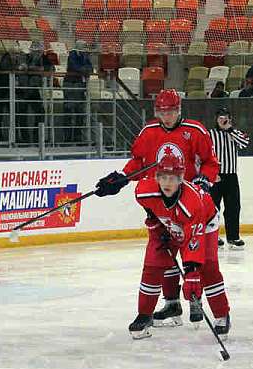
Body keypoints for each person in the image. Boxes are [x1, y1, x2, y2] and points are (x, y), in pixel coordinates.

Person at [94, 88, 221, 328]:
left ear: (179, 109)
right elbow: (139, 163)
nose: (167, 116)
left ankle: (195, 300)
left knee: (192, 257)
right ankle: (172, 302)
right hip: (161, 204)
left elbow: (209, 163)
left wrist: (204, 179)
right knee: (164, 255)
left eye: (171, 111)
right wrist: (121, 177)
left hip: (187, 203)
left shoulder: (195, 131)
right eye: (162, 112)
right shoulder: (149, 132)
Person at [129, 151, 231, 339]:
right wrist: (156, 224)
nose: (167, 183)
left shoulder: (192, 203)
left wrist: (191, 273)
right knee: (153, 265)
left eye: (173, 178)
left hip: (204, 223)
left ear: (182, 178)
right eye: (163, 177)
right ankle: (144, 315)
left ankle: (222, 314)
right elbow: (150, 207)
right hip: (170, 221)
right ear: (157, 177)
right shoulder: (144, 190)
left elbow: (194, 240)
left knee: (207, 268)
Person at [208, 107, 249, 248]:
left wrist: (230, 130)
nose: (222, 120)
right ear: (216, 119)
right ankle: (213, 236)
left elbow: (245, 143)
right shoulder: (210, 134)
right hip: (215, 176)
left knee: (233, 207)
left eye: (225, 117)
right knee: (213, 208)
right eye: (219, 118)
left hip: (231, 175)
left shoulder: (235, 133)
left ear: (229, 119)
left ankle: (233, 237)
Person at [16, 41, 54, 144]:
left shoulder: (44, 59)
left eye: (39, 52)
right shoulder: (25, 57)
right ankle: (25, 138)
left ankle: (37, 136)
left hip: (34, 89)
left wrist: (33, 68)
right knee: (21, 114)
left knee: (40, 113)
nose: (38, 53)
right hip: (23, 89)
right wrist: (36, 69)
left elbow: (51, 69)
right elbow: (20, 67)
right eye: (36, 51)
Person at [62, 40, 93, 142]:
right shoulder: (72, 55)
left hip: (79, 85)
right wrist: (84, 69)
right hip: (71, 85)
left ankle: (77, 137)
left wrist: (83, 69)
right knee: (69, 111)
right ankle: (67, 138)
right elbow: (75, 67)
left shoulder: (84, 56)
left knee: (79, 112)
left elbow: (90, 68)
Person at [0, 51, 15, 141]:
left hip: (7, 96)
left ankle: (10, 137)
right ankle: (0, 136)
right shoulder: (0, 74)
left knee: (12, 117)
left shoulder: (8, 73)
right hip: (0, 96)